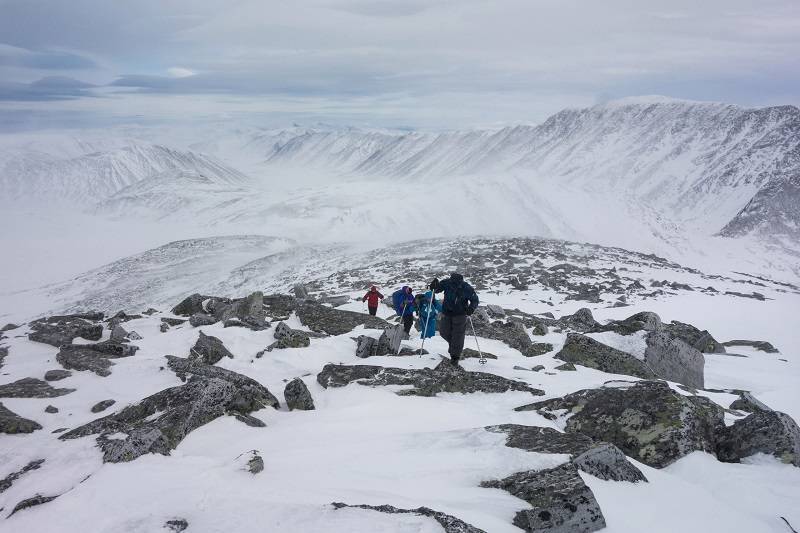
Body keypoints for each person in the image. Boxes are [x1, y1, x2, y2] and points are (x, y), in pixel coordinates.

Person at [429, 273, 479, 365]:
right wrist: (434, 286)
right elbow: (436, 290)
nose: (454, 283)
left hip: (460, 314)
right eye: (452, 281)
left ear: (460, 280)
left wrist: (471, 308)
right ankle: (454, 347)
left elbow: (475, 300)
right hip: (447, 313)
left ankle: (455, 357)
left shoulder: (466, 287)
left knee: (458, 335)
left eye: (456, 281)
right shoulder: (447, 283)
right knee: (443, 332)